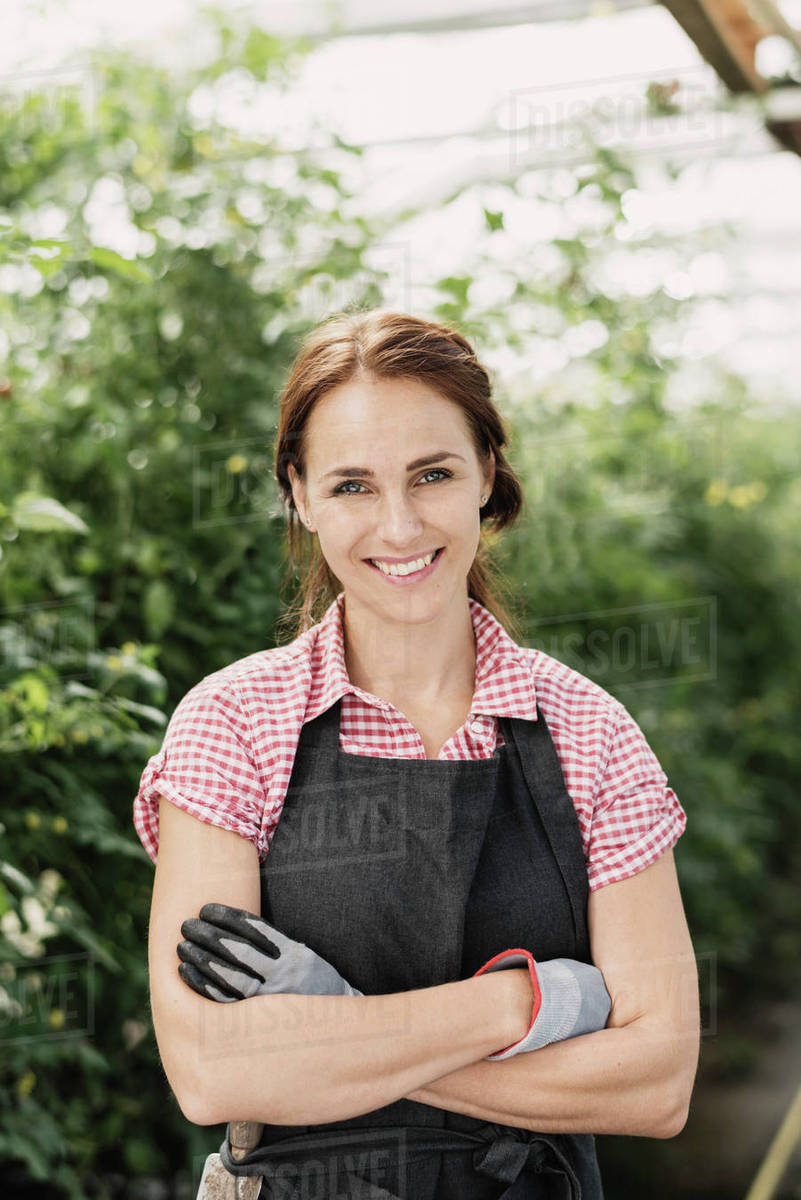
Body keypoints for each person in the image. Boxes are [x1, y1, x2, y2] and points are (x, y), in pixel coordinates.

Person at [136, 309, 700, 1199]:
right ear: (300, 493)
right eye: (352, 485)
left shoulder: (590, 731)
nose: (398, 527)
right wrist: (523, 1006)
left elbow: (657, 1081)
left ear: (485, 472)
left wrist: (335, 1024)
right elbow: (214, 1072)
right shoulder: (234, 724)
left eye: (431, 474)